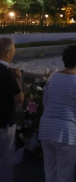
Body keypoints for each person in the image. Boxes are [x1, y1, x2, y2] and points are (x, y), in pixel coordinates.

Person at [39, 45, 76, 182]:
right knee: (65, 174)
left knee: (50, 170)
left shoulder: (52, 77)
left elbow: (45, 102)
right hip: (66, 132)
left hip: (46, 129)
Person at [0, 37, 24, 182]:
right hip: (4, 122)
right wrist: (19, 80)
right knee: (5, 158)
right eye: (14, 50)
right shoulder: (7, 73)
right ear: (8, 54)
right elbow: (19, 98)